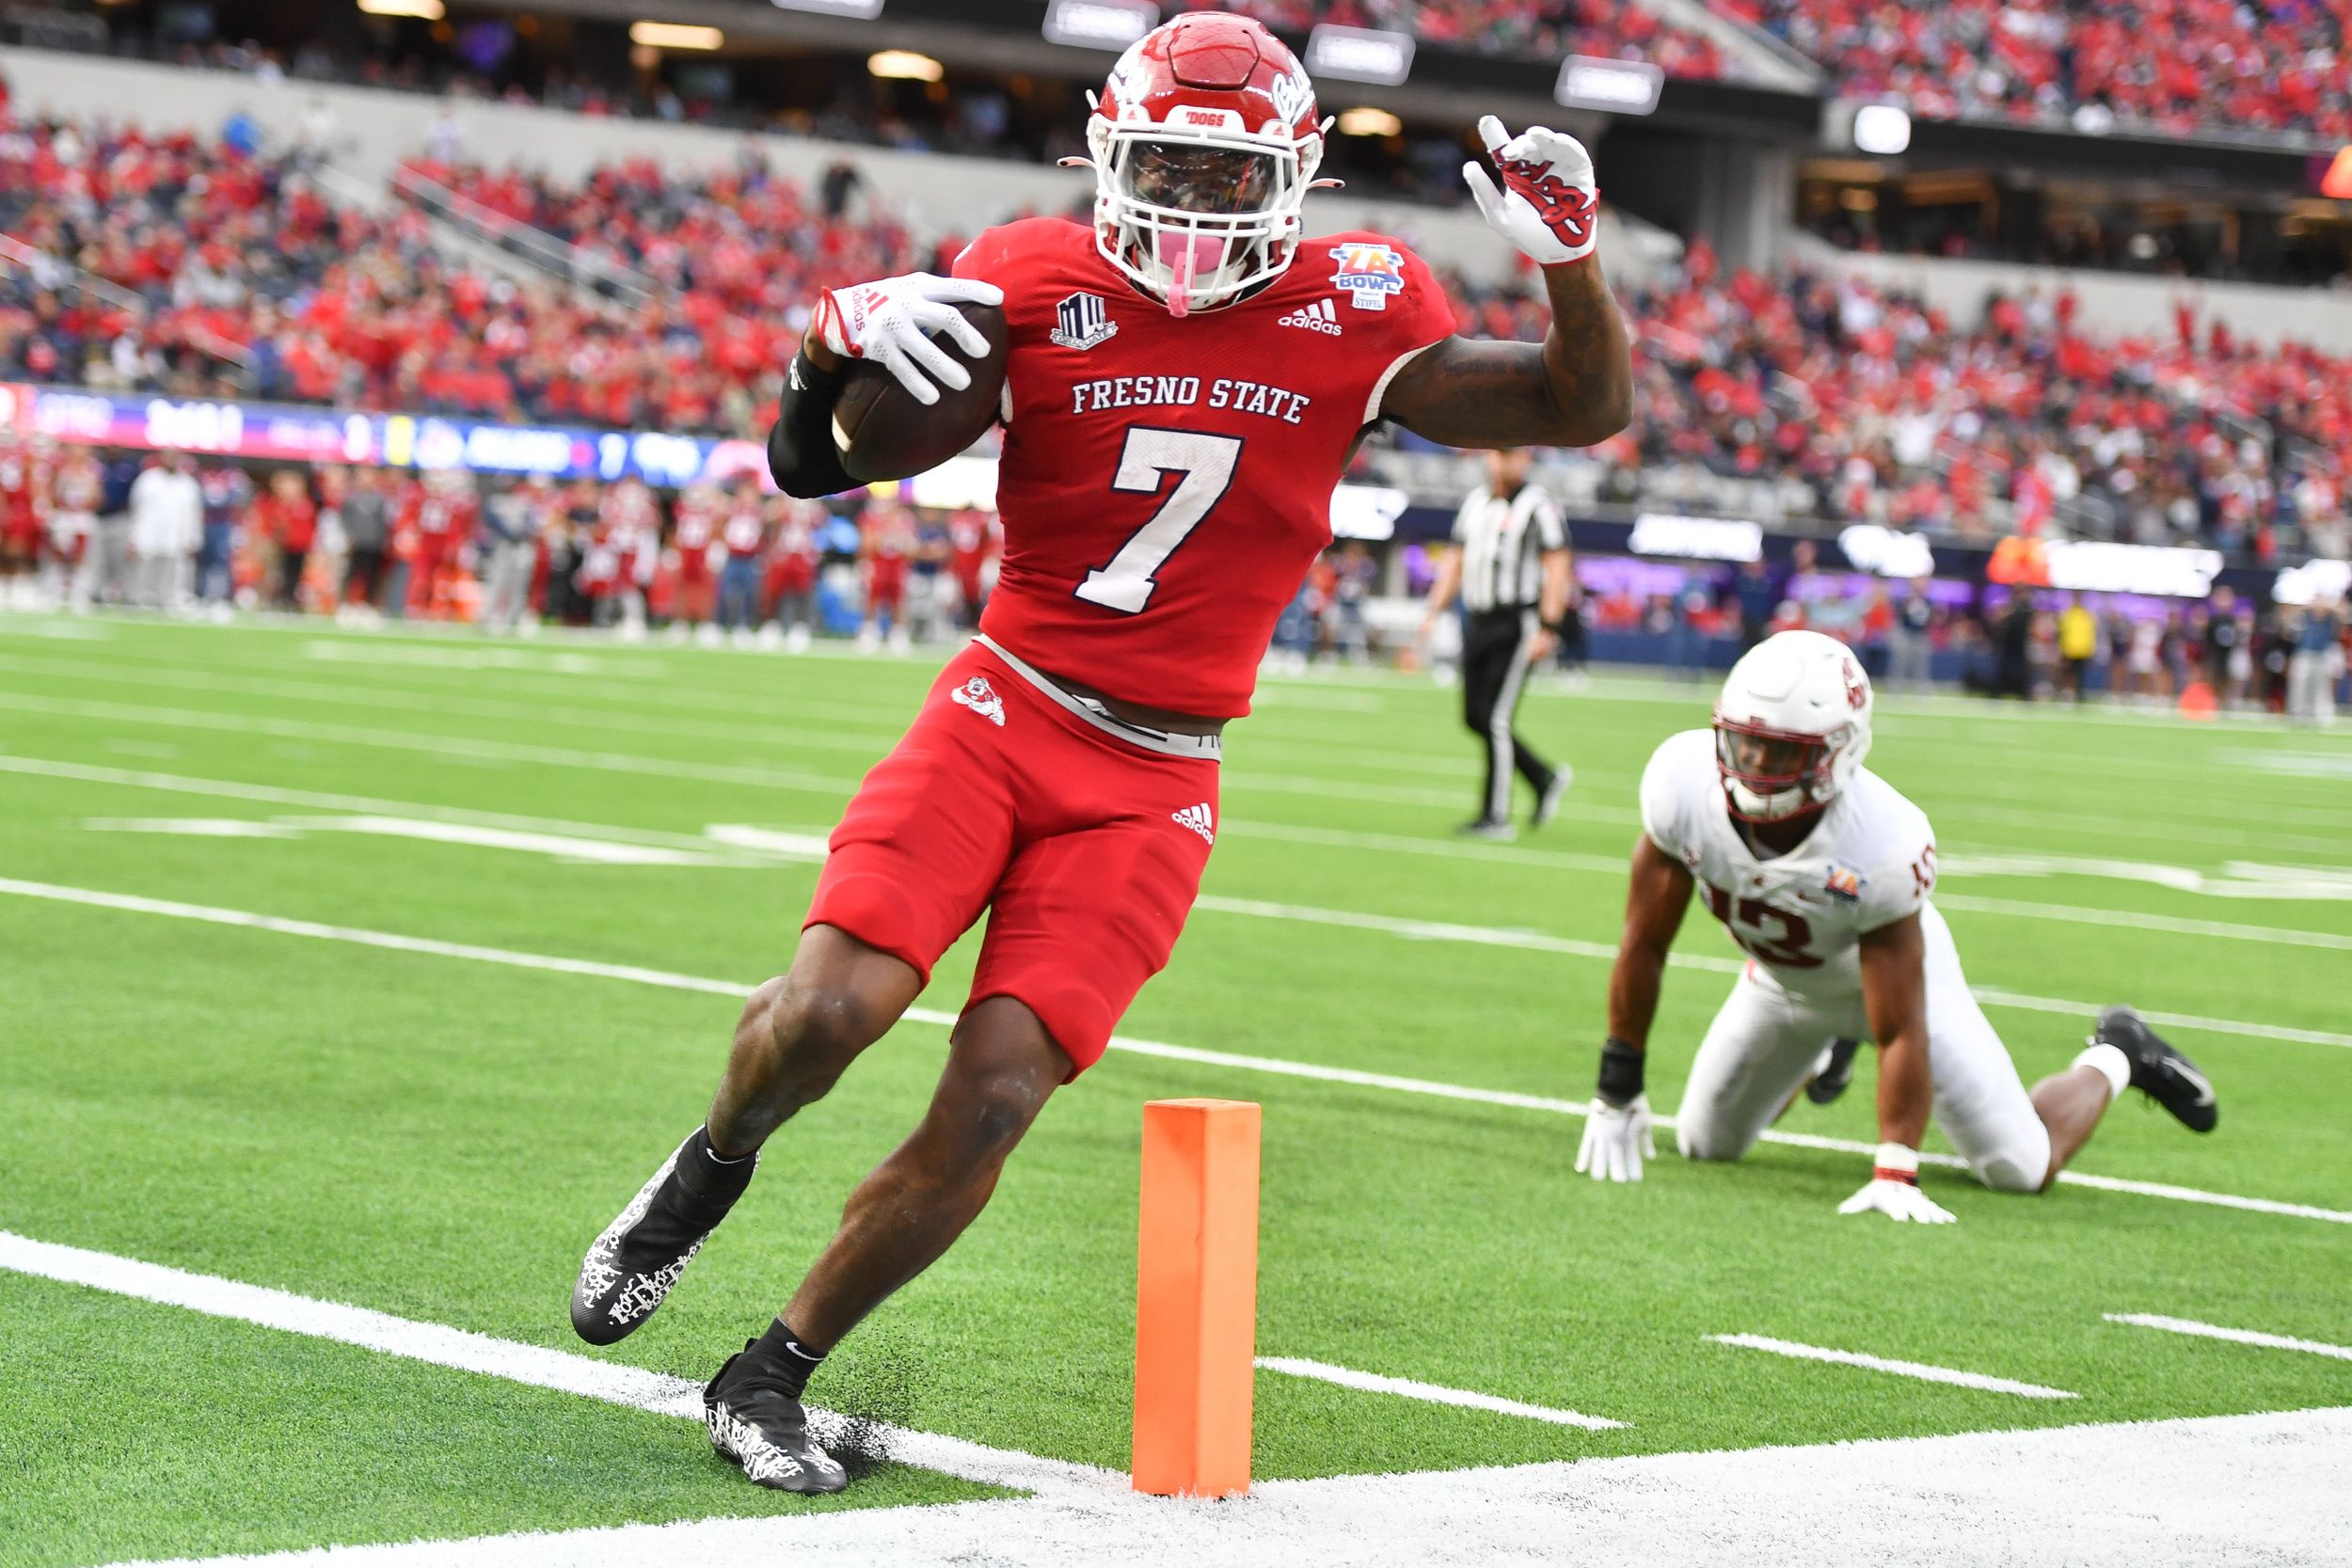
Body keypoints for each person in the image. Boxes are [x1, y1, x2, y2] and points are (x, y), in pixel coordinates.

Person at [569, 11, 1631, 1496]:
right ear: (1107, 159)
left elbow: (1584, 405)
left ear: (1297, 174)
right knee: (825, 1015)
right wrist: (825, 354)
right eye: (1170, 172)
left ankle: (772, 1367)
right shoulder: (1027, 272)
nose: (1193, 211)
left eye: (1226, 176)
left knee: (1000, 1090)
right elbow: (817, 464)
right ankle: (704, 1173)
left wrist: (1569, 259)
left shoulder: (1360, 300)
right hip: (1004, 710)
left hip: (1159, 772)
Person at [1572, 631, 2217, 1214]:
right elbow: (1644, 942)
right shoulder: (1681, 785)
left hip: (1907, 991)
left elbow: (1904, 1023)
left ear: (1839, 752)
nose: (1757, 769)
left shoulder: (1881, 838)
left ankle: (2118, 1051)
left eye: (1781, 753)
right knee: (1704, 1143)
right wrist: (1617, 1083)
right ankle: (1824, 1051)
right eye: (1747, 743)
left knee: (2021, 1168)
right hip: (1782, 983)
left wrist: (1896, 1165)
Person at [1420, 447, 1575, 839]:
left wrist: (1548, 625)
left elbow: (1557, 566)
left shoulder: (1538, 506)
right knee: (1475, 716)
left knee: (1496, 719)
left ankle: (1496, 815)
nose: (1503, 462)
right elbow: (1455, 560)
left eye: (1512, 455)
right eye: (1497, 454)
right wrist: (1433, 609)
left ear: (1525, 459)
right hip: (1478, 619)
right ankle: (1543, 778)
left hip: (1516, 620)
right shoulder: (1475, 503)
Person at [127, 452, 202, 611]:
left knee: (173, 571)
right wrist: (133, 536)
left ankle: (169, 599)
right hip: (148, 534)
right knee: (146, 570)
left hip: (175, 536)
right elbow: (135, 509)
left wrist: (193, 539)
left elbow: (194, 514)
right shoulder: (148, 480)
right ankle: (143, 599)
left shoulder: (188, 484)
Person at [2288, 593, 2345, 726]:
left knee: (2321, 686)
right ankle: (2298, 713)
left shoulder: (2331, 617)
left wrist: (2326, 606)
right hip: (2305, 653)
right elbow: (2290, 614)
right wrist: (2311, 605)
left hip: (2323, 654)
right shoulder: (2305, 615)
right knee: (2300, 685)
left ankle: (2320, 713)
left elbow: (2343, 612)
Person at [339, 468, 390, 616]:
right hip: (356, 543)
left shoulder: (379, 499)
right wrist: (349, 537)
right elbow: (345, 519)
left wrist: (382, 539)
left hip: (374, 543)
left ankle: (368, 605)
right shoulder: (351, 498)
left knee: (372, 576)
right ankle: (347, 604)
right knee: (352, 574)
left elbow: (383, 521)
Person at [1888, 577, 1934, 689]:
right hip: (1905, 633)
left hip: (1920, 634)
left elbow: (1930, 619)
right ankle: (1895, 685)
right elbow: (1899, 615)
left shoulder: (1927, 601)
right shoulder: (1906, 599)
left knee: (1921, 663)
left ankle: (1921, 686)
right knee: (1900, 661)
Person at [2057, 593, 2096, 701]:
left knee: (2080, 673)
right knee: (2068, 672)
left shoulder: (2086, 615)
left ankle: (2078, 693)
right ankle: (2067, 692)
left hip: (2083, 650)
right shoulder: (2067, 614)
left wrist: (2089, 648)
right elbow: (2062, 632)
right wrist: (2063, 647)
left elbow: (2090, 633)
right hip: (2069, 649)